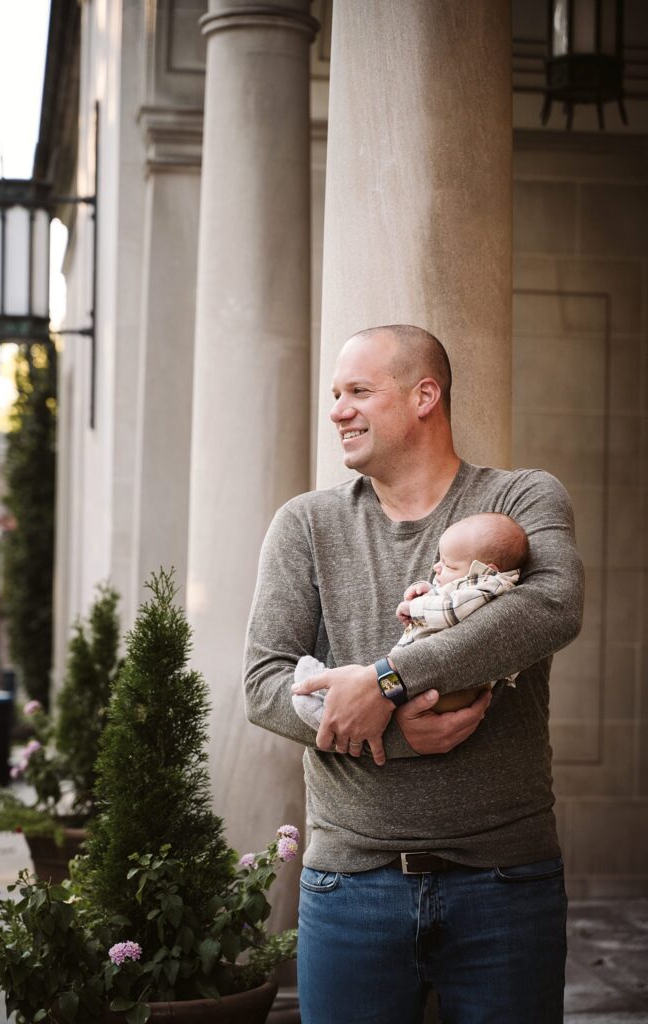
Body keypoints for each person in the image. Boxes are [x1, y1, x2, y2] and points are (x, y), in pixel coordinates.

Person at [243, 324, 584, 1024]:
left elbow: (551, 607)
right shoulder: (305, 525)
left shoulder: (521, 500)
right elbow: (264, 683)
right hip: (349, 886)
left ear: (425, 395)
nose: (337, 409)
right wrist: (395, 732)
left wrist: (385, 679)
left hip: (505, 882)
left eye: (358, 391)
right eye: (336, 394)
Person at [292, 510, 529, 727]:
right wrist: (427, 590)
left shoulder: (489, 585)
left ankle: (330, 713)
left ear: (485, 569)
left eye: (448, 565)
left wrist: (416, 608)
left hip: (449, 689)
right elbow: (452, 597)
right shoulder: (475, 584)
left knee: (381, 694)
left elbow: (451, 611)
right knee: (378, 690)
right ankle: (339, 703)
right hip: (436, 680)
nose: (437, 567)